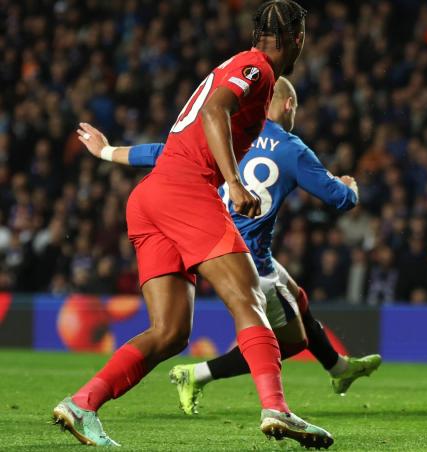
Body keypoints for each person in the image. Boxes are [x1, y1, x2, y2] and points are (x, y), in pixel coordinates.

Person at [52, 2, 334, 448]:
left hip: (151, 196)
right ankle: (276, 408)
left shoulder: (234, 67)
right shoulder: (255, 68)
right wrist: (234, 181)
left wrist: (108, 153)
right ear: (297, 38)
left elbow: (180, 142)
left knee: (170, 332)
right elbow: (212, 113)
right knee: (248, 302)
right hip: (186, 194)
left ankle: (83, 403)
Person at [75, 77, 382, 417]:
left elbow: (162, 153)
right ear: (288, 105)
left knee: (296, 294)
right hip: (246, 259)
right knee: (294, 341)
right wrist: (350, 186)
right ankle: (199, 374)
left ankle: (339, 368)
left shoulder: (230, 134)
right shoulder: (291, 148)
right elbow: (340, 200)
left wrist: (105, 151)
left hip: (202, 241)